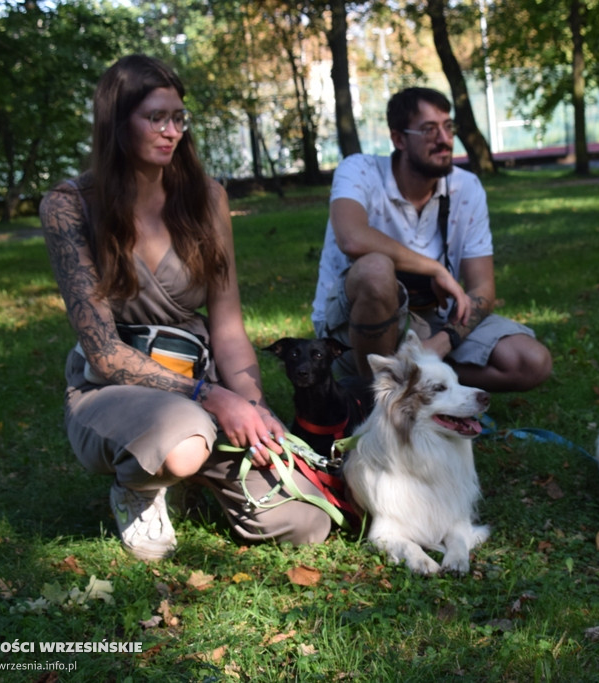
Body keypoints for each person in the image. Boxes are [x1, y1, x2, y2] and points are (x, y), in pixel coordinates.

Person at [40, 54, 330, 561]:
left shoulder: (207, 197)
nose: (171, 130)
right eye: (156, 117)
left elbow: (229, 326)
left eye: (178, 117)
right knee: (182, 436)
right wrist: (213, 397)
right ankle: (139, 488)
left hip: (203, 382)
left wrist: (255, 407)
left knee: (307, 523)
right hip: (113, 390)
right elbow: (105, 354)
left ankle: (196, 475)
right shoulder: (69, 206)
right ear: (116, 122)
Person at [311, 87, 552, 392]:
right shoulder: (359, 170)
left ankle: (418, 379)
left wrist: (442, 342)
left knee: (531, 361)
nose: (444, 139)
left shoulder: (466, 187)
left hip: (433, 322)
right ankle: (373, 398)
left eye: (448, 127)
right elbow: (352, 238)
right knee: (374, 270)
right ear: (398, 139)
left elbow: (483, 288)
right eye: (429, 129)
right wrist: (435, 269)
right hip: (350, 331)